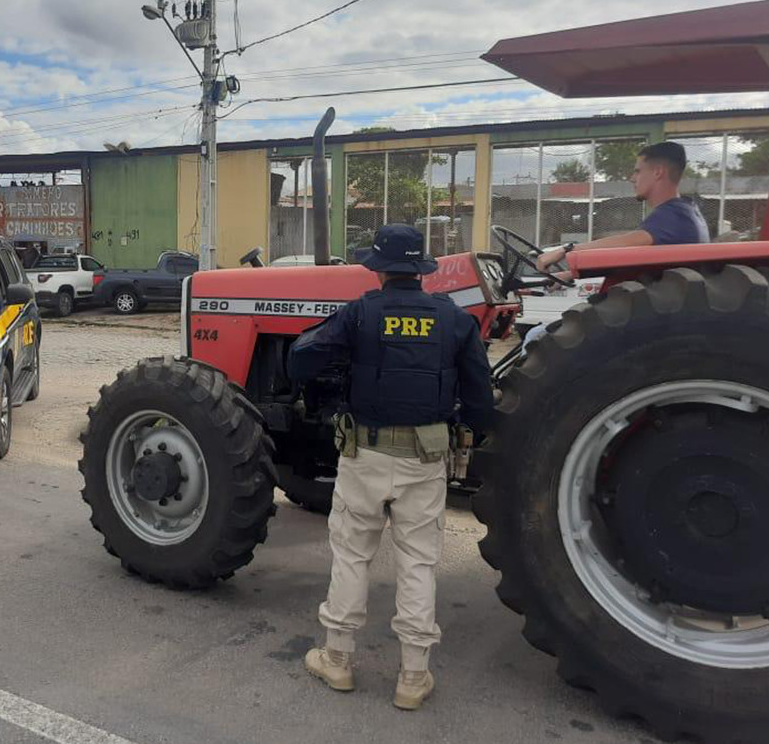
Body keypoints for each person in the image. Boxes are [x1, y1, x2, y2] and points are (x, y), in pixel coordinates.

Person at [287, 223, 494, 711]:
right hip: (425, 459)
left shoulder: (360, 313)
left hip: (365, 456)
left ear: (378, 270)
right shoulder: (453, 319)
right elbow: (481, 400)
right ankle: (413, 676)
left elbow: (301, 361)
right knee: (418, 561)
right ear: (422, 271)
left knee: (353, 554)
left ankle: (336, 659)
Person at [522, 141, 710, 349]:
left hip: (638, 322)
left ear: (658, 172)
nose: (632, 178)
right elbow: (636, 259)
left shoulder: (674, 215)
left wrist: (565, 251)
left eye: (638, 171)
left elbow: (626, 244)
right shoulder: (686, 212)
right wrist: (569, 274)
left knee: (535, 337)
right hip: (648, 313)